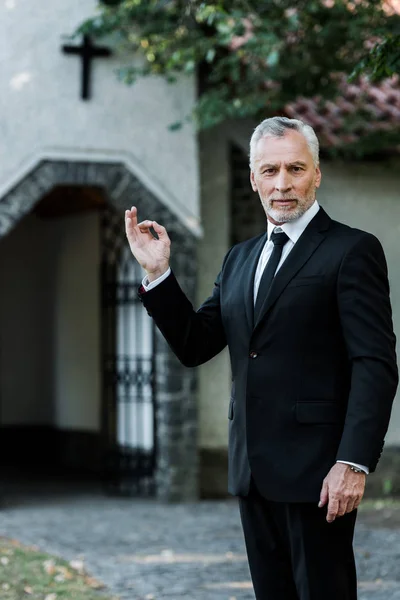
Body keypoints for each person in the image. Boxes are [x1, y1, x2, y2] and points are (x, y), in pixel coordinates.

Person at [125, 117, 398, 600]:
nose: (282, 183)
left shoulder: (352, 250)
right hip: (252, 470)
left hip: (320, 476)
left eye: (296, 168)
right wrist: (159, 275)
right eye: (269, 170)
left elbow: (374, 364)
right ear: (253, 178)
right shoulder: (239, 259)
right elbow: (195, 344)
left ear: (317, 174)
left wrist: (353, 462)